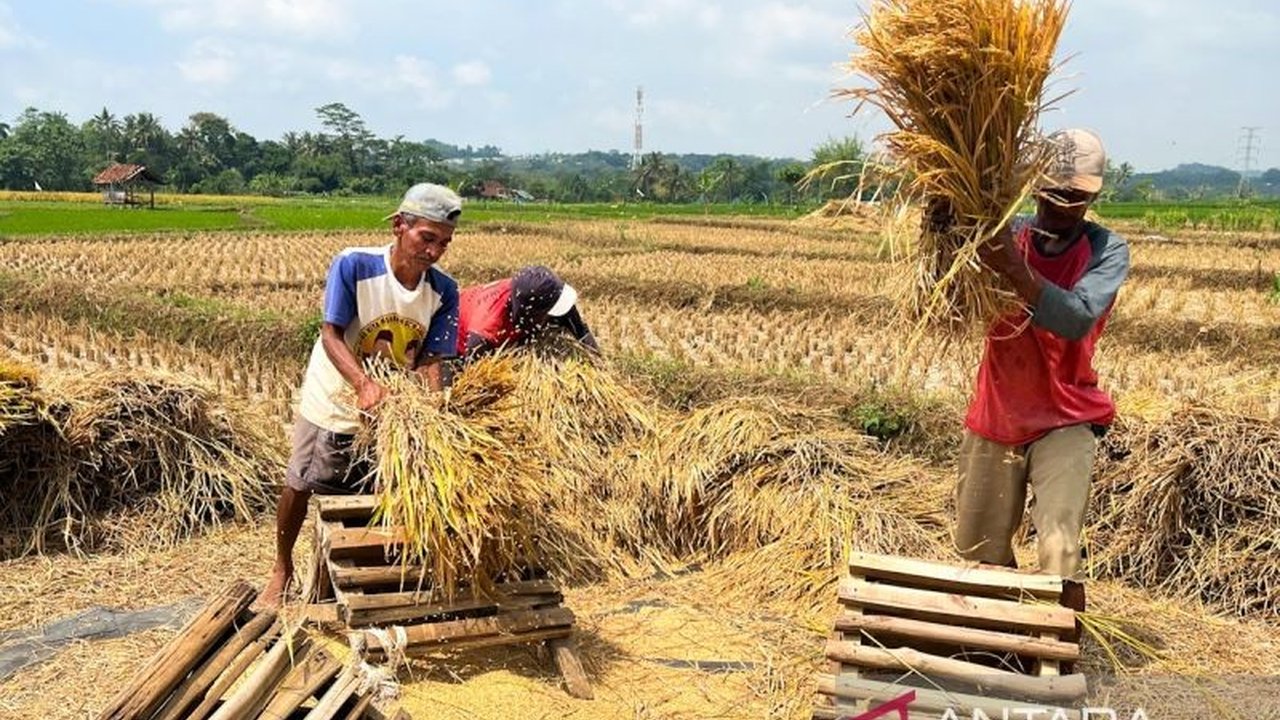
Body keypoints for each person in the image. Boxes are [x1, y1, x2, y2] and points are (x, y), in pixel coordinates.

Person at [951, 129, 1130, 617]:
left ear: (1091, 198)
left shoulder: (1107, 251)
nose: (1060, 205)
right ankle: (988, 644)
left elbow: (1075, 318)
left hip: (1066, 416)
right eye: (1052, 192)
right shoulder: (1005, 235)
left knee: (1058, 546)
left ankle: (1050, 649)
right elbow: (953, 303)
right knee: (977, 551)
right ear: (1034, 187)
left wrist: (1015, 269)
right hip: (999, 410)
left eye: (1074, 198)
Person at [261, 183, 463, 608]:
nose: (434, 251)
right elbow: (331, 332)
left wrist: (432, 408)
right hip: (337, 389)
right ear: (398, 226)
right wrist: (362, 383)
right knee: (303, 481)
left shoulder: (444, 291)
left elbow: (431, 359)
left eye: (443, 243)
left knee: (370, 491)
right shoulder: (354, 265)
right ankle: (281, 568)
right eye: (426, 238)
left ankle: (339, 578)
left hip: (390, 406)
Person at [456, 265, 599, 360]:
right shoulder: (487, 331)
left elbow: (579, 329)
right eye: (548, 311)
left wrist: (598, 362)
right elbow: (475, 379)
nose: (553, 316)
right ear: (530, 315)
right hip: (450, 336)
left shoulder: (536, 291)